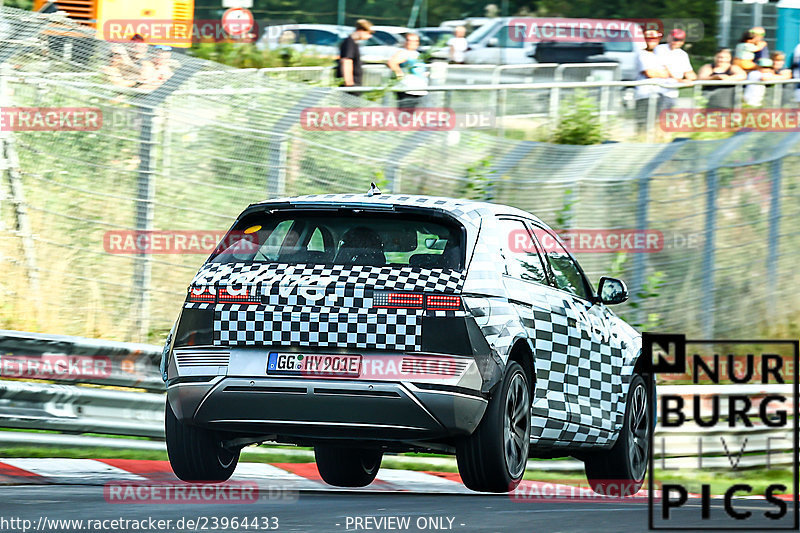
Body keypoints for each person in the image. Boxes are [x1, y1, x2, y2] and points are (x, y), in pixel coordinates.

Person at [634, 29, 671, 133]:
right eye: (649, 38)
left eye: (654, 38)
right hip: (644, 95)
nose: (652, 41)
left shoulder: (660, 55)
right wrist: (661, 73)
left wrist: (661, 73)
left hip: (660, 95)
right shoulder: (642, 54)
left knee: (658, 125)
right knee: (643, 127)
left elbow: (667, 73)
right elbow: (650, 73)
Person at [654, 28, 697, 108]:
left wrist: (693, 79)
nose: (676, 42)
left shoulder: (683, 54)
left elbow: (689, 72)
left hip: (672, 93)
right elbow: (664, 70)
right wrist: (681, 81)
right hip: (658, 91)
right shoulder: (659, 49)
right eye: (674, 39)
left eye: (679, 40)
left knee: (665, 118)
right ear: (669, 37)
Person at [387, 32, 429, 110]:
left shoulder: (416, 54)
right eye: (410, 40)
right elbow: (392, 62)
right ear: (406, 42)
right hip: (407, 89)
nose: (412, 43)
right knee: (405, 114)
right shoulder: (404, 53)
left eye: (415, 41)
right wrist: (398, 73)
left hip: (418, 89)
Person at [336, 19, 373, 89]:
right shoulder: (349, 43)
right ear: (361, 30)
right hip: (351, 85)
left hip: (355, 84)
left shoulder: (353, 43)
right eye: (369, 33)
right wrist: (349, 83)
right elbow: (346, 61)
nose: (370, 36)